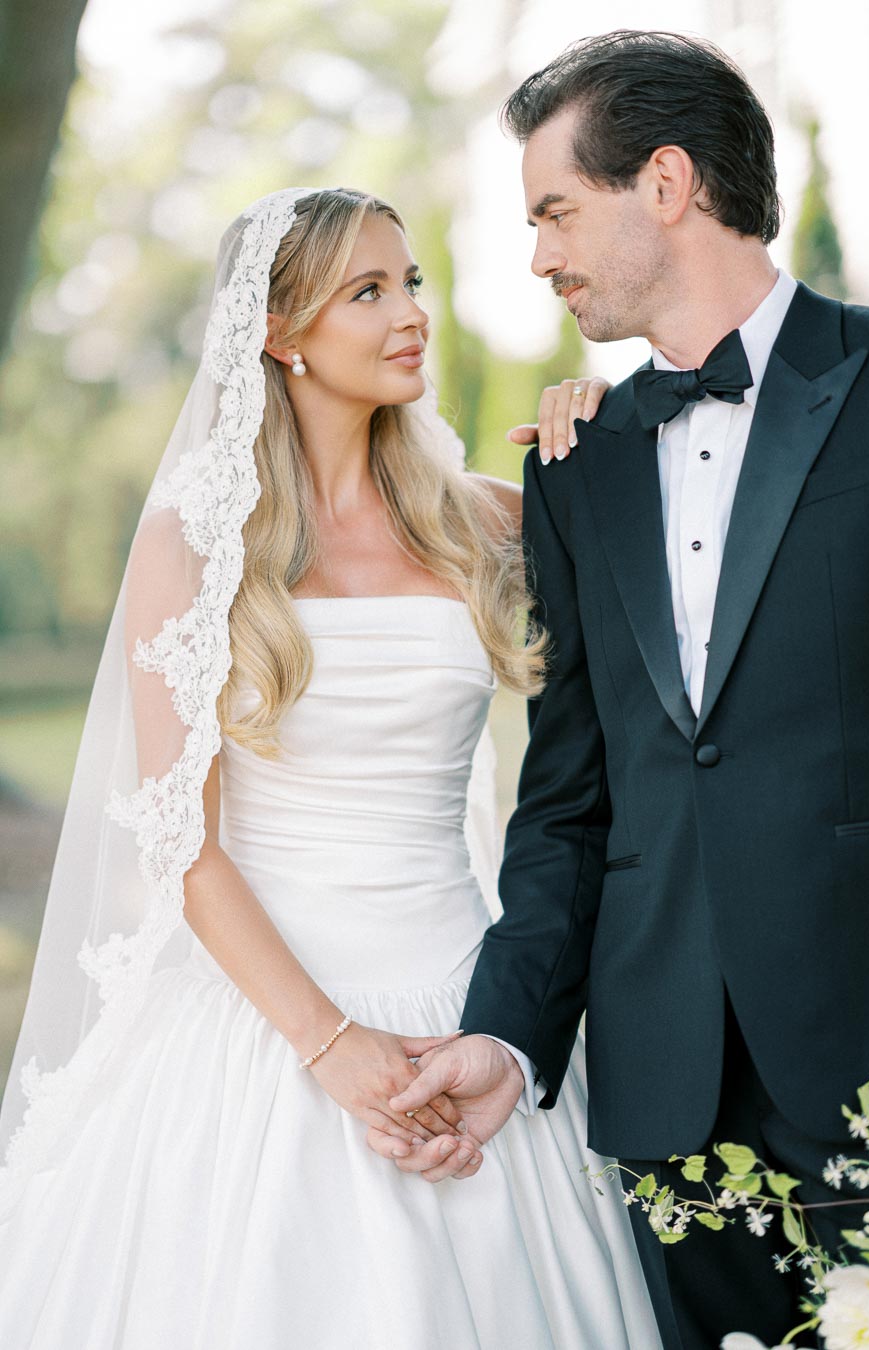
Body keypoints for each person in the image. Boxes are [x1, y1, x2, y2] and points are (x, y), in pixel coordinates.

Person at [0, 185, 660, 1349]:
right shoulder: (196, 552)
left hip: (470, 1005)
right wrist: (332, 1048)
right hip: (267, 1017)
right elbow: (185, 852)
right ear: (278, 331)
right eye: (368, 290)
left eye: (409, 281)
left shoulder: (494, 524)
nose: (409, 312)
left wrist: (607, 444)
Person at [372, 30, 869, 1350]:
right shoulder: (575, 462)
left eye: (554, 210)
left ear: (665, 182)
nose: (540, 254)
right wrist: (506, 1030)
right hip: (666, 1095)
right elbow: (568, 796)